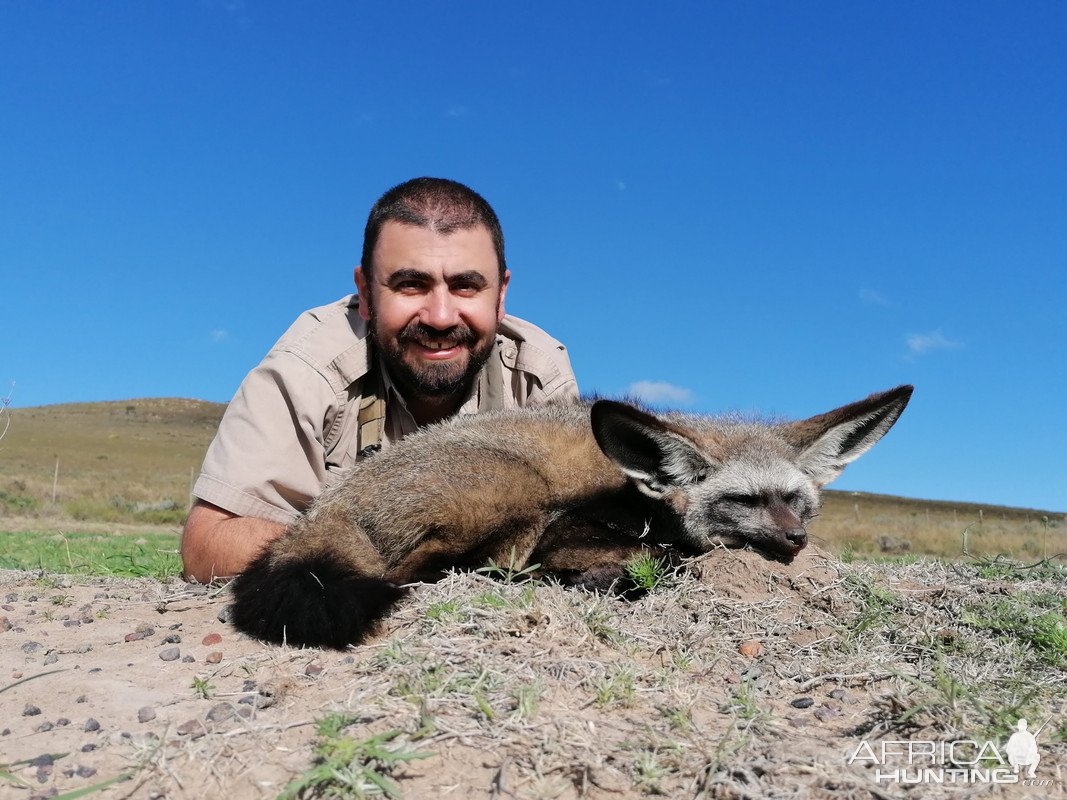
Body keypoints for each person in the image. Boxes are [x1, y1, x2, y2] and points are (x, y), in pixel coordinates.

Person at [181, 177, 579, 583]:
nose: (440, 316)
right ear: (366, 293)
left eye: (466, 286)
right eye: (411, 284)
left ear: (501, 295)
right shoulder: (307, 368)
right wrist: (407, 556)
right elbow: (210, 543)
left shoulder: (539, 378)